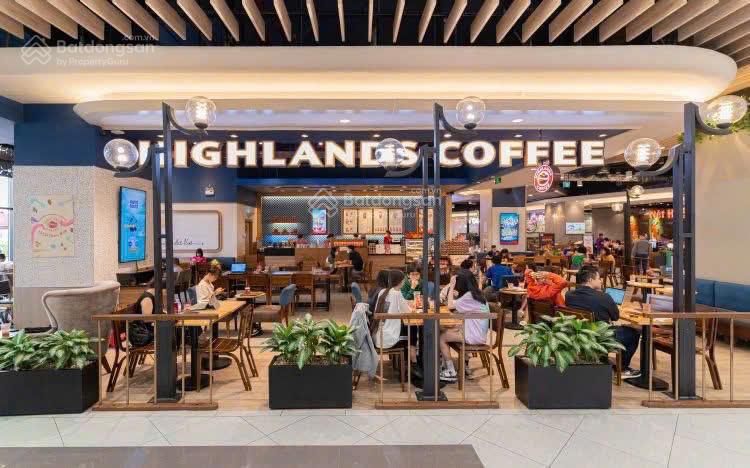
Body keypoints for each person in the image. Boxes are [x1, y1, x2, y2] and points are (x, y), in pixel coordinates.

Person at [565, 266, 641, 378]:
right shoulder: (604, 297)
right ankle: (622, 369)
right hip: (601, 337)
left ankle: (603, 360)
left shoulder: (569, 295)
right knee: (633, 333)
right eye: (598, 278)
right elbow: (615, 317)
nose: (600, 281)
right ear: (590, 280)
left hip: (580, 335)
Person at [438, 270, 490, 382]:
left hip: (474, 336)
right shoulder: (478, 294)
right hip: (478, 333)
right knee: (446, 329)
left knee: (441, 337)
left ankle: (450, 371)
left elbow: (450, 305)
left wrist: (452, 286)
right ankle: (449, 365)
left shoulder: (469, 296)